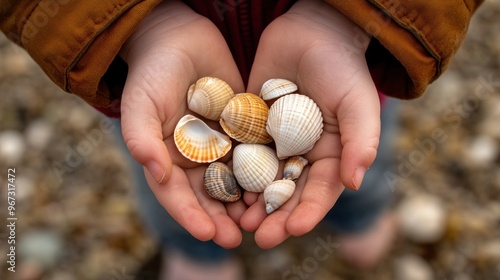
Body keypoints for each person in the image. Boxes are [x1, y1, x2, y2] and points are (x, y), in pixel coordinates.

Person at [0, 0, 484, 279]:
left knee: (359, 160)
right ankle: (198, 253)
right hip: (141, 75)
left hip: (354, 61)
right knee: (160, 170)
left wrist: (359, 20)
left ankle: (363, 215)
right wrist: (136, 28)